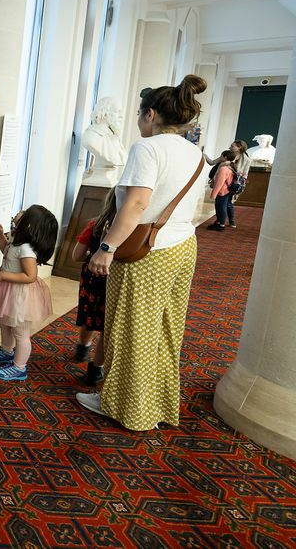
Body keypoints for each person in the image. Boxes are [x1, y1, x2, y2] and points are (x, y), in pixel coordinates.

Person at [76, 74, 206, 430]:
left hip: (147, 251)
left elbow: (136, 205)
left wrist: (106, 247)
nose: (135, 120)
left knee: (129, 328)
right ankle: (158, 404)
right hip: (183, 245)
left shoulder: (146, 148)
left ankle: (124, 407)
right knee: (165, 329)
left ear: (150, 114)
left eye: (138, 113)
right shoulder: (195, 152)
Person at [0, 205, 59, 381]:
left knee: (20, 332)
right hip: (8, 291)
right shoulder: (17, 241)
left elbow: (31, 276)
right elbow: (7, 252)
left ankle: (19, 367)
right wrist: (0, 236)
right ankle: (7, 350)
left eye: (23, 213)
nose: (19, 212)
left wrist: (3, 275)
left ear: (29, 225)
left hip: (19, 295)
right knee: (4, 321)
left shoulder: (26, 249)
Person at [71, 191, 116, 386]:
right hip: (114, 281)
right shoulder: (131, 231)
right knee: (108, 325)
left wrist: (93, 254)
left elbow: (77, 255)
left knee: (89, 314)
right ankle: (96, 370)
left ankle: (82, 348)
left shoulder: (95, 225)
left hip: (91, 279)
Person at [206, 149, 236, 231]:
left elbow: (219, 182)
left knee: (221, 208)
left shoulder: (224, 168)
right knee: (219, 207)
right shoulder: (230, 166)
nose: (220, 157)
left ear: (225, 157)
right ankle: (218, 222)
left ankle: (221, 225)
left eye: (221, 156)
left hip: (223, 191)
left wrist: (213, 194)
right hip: (225, 190)